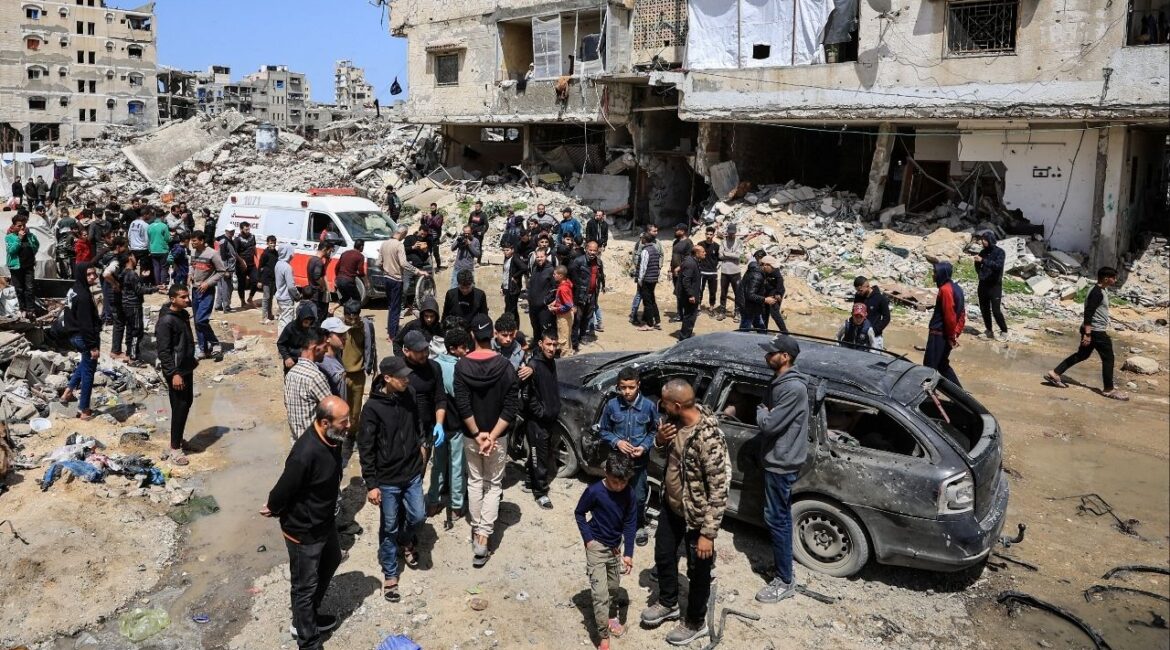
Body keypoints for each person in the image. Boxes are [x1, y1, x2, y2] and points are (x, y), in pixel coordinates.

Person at [640, 379, 730, 646]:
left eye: (664, 403)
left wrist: (708, 534)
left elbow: (719, 489)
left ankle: (695, 622)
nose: (660, 406)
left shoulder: (708, 438)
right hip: (672, 505)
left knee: (698, 571)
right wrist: (657, 441)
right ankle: (668, 602)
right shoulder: (674, 423)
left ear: (678, 405)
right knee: (664, 555)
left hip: (697, 518)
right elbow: (665, 456)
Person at [262, 396, 349, 650]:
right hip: (303, 530)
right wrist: (273, 507)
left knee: (332, 560)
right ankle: (307, 640)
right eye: (344, 421)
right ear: (325, 422)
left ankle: (308, 617)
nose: (349, 425)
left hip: (324, 521)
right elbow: (283, 488)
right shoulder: (305, 453)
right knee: (304, 585)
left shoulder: (333, 439)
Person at [358, 355, 429, 603]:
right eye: (401, 376)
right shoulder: (372, 409)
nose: (407, 379)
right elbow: (365, 447)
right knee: (388, 526)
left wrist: (422, 444)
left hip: (411, 472)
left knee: (418, 516)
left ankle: (406, 540)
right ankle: (390, 573)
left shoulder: (408, 394)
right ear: (387, 378)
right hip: (387, 479)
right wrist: (371, 484)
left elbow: (417, 422)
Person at [453, 313, 520, 567]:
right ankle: (483, 537)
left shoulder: (462, 366)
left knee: (475, 480)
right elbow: (510, 407)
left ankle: (477, 528)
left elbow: (462, 403)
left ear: (471, 335)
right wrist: (491, 436)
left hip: (472, 437)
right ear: (492, 334)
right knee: (493, 484)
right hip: (497, 437)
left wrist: (478, 433)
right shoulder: (506, 367)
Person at [755, 334, 809, 604]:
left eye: (771, 353)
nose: (767, 356)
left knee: (778, 519)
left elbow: (769, 424)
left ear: (785, 357)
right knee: (780, 517)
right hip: (778, 458)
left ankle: (784, 580)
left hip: (781, 462)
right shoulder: (782, 382)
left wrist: (761, 410)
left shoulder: (792, 388)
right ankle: (780, 567)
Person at [575, 452, 638, 650]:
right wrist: (588, 540)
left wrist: (628, 552)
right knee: (600, 594)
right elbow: (579, 513)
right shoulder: (594, 491)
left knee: (613, 587)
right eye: (614, 482)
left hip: (615, 549)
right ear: (606, 473)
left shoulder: (629, 494)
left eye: (623, 483)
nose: (619, 487)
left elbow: (630, 523)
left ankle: (611, 615)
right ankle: (603, 635)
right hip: (596, 547)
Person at [1045, 267, 1129, 400]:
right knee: (1108, 359)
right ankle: (1109, 389)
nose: (1115, 280)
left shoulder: (1100, 290)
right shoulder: (1097, 292)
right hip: (1096, 332)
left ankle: (1055, 373)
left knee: (1082, 355)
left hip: (1092, 330)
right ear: (1106, 278)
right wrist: (1088, 334)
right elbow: (1088, 313)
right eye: (1114, 277)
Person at [597, 366, 658, 546]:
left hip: (638, 465)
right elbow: (603, 430)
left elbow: (654, 431)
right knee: (615, 495)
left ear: (638, 385)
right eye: (623, 387)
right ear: (618, 386)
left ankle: (638, 526)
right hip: (617, 463)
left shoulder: (648, 406)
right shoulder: (612, 405)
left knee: (638, 497)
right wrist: (617, 442)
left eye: (631, 387)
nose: (627, 391)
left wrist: (644, 447)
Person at [427, 325, 469, 518]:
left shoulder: (434, 363)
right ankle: (456, 505)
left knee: (438, 464)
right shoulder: (456, 368)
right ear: (453, 349)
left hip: (438, 424)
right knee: (457, 466)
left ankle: (433, 501)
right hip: (455, 425)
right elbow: (459, 397)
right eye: (462, 347)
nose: (466, 350)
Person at [155, 285, 197, 467]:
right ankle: (175, 449)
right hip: (177, 371)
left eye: (188, 296)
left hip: (186, 367)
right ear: (173, 299)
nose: (187, 300)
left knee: (186, 403)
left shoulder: (183, 315)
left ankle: (178, 439)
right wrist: (173, 373)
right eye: (183, 297)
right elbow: (164, 351)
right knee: (179, 405)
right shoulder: (166, 321)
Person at [521, 330, 560, 508]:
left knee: (539, 454)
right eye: (549, 344)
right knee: (540, 457)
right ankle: (540, 492)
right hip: (537, 422)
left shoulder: (550, 362)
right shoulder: (533, 366)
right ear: (540, 344)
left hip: (549, 419)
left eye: (554, 344)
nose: (552, 348)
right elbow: (527, 396)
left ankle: (530, 481)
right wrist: (541, 413)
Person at [59, 263, 102, 421]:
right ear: (81, 275)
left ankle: (68, 391)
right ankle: (84, 409)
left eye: (94, 274)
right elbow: (86, 323)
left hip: (74, 335)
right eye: (89, 274)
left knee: (84, 364)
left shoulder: (74, 289)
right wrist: (93, 346)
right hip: (84, 337)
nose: (92, 277)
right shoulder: (83, 296)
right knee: (89, 372)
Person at [402, 329, 448, 465]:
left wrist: (439, 424)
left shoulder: (434, 367)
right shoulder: (398, 370)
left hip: (426, 428)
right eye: (418, 351)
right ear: (406, 351)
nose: (424, 354)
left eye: (425, 350)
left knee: (420, 469)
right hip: (403, 429)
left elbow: (440, 398)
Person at [339, 299, 378, 445]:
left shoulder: (366, 327)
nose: (352, 321)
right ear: (344, 315)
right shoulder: (338, 326)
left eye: (355, 318)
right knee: (341, 409)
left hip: (358, 375)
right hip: (341, 376)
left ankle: (351, 436)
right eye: (349, 318)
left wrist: (373, 367)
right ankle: (339, 434)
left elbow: (371, 347)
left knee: (355, 411)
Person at [285, 328, 332, 444]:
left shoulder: (291, 373)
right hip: (314, 444)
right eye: (325, 346)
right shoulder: (315, 377)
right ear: (314, 347)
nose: (326, 351)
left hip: (296, 442)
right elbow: (331, 410)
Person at [923, 262, 966, 387]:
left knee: (929, 368)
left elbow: (950, 316)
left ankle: (928, 397)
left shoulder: (945, 290)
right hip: (946, 335)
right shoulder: (956, 288)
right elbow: (962, 314)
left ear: (942, 273)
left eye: (935, 272)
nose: (933, 275)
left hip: (939, 335)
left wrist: (951, 336)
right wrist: (955, 333)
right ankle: (961, 394)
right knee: (942, 365)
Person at [381, 226, 426, 339]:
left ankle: (392, 330)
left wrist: (386, 269)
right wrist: (417, 271)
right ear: (403, 233)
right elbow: (403, 263)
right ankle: (392, 335)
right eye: (405, 235)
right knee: (395, 308)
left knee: (391, 306)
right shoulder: (399, 245)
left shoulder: (384, 244)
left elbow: (378, 262)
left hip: (386, 278)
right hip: (396, 280)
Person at [189, 232, 225, 361]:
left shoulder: (212, 254)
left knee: (201, 320)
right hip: (194, 290)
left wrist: (208, 283)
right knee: (196, 322)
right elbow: (192, 266)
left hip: (206, 291)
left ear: (202, 240)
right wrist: (190, 275)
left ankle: (215, 343)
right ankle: (203, 349)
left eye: (194, 241)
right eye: (191, 241)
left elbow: (221, 271)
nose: (192, 243)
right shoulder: (193, 252)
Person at [569, 241, 605, 351]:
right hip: (580, 295)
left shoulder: (598, 262)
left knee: (587, 317)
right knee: (577, 319)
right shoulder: (578, 262)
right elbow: (572, 281)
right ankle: (574, 342)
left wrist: (603, 286)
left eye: (595, 250)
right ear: (586, 249)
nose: (592, 252)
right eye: (590, 250)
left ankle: (582, 336)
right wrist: (574, 300)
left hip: (592, 294)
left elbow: (601, 276)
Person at [120, 253, 155, 363]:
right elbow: (139, 290)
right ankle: (134, 357)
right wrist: (156, 288)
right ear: (130, 258)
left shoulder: (123, 272)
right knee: (136, 331)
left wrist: (142, 278)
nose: (137, 259)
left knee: (130, 330)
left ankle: (129, 352)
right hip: (134, 305)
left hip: (126, 304)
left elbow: (132, 286)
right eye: (135, 257)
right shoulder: (132, 274)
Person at [973, 231, 1008, 340]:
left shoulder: (1000, 252)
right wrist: (980, 273)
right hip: (983, 284)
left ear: (990, 240)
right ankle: (989, 330)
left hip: (994, 285)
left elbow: (997, 266)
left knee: (996, 310)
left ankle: (1004, 331)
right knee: (984, 308)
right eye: (982, 239)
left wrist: (983, 260)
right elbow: (977, 265)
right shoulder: (983, 252)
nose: (982, 242)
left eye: (985, 239)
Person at [5, 213, 39, 319]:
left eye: (24, 225)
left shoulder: (30, 236)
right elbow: (11, 251)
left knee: (30, 288)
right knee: (19, 289)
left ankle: (31, 310)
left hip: (28, 266)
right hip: (16, 267)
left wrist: (31, 254)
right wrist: (19, 239)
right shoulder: (9, 237)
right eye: (19, 225)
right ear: (14, 226)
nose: (22, 228)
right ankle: (22, 309)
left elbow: (35, 246)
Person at [629, 224, 661, 326]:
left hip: (645, 278)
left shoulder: (646, 250)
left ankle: (646, 321)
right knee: (651, 299)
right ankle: (656, 319)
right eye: (654, 231)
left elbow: (643, 266)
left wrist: (640, 279)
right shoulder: (654, 248)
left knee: (644, 299)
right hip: (653, 277)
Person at [279, 302, 322, 374]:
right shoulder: (291, 328)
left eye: (310, 323)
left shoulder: (313, 327)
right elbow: (281, 344)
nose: (307, 325)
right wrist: (286, 357)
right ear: (300, 319)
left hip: (307, 360)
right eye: (305, 322)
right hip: (292, 359)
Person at [852, 276, 891, 350]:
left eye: (860, 290)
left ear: (867, 286)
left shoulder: (880, 298)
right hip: (859, 335)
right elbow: (854, 312)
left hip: (875, 337)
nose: (858, 292)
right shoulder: (858, 297)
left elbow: (887, 318)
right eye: (857, 290)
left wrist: (874, 330)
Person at [317, 317, 351, 399]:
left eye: (344, 334)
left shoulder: (337, 354)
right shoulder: (322, 364)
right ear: (328, 338)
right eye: (340, 335)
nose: (345, 338)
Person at [527, 247, 556, 339]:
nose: (539, 259)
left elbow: (554, 288)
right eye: (538, 257)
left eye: (541, 257)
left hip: (543, 307)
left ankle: (544, 348)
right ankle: (536, 343)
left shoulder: (551, 270)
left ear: (546, 256)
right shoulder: (535, 268)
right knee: (535, 326)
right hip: (533, 305)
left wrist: (545, 300)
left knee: (544, 328)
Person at [675, 244, 703, 340]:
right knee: (689, 316)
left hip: (690, 294)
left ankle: (686, 336)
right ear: (696, 253)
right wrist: (691, 295)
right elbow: (686, 280)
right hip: (688, 295)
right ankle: (684, 338)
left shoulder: (692, 261)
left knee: (690, 316)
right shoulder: (690, 263)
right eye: (703, 252)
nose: (705, 253)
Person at [550, 265, 575, 358]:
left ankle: (565, 357)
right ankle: (570, 353)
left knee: (563, 338)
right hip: (568, 315)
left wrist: (555, 308)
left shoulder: (563, 288)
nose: (553, 276)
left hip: (564, 316)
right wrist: (555, 302)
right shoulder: (566, 283)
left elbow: (568, 305)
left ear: (560, 276)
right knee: (567, 335)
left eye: (555, 274)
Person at [669, 224, 693, 323]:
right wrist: (670, 269)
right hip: (675, 272)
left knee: (684, 293)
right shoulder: (675, 242)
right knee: (678, 293)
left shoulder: (688, 243)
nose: (675, 232)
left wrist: (679, 268)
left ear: (683, 231)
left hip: (683, 272)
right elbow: (673, 257)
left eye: (677, 230)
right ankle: (680, 314)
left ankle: (685, 314)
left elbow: (689, 258)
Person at [215, 226, 241, 312]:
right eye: (230, 231)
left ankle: (218, 305)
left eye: (232, 231)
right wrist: (225, 270)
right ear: (226, 231)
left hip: (225, 269)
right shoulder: (224, 241)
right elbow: (223, 257)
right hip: (226, 269)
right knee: (227, 288)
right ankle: (226, 307)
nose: (231, 233)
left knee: (221, 287)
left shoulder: (229, 240)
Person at [739, 253, 767, 331]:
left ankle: (763, 339)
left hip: (753, 305)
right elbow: (750, 294)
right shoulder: (757, 274)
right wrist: (765, 299)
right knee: (744, 330)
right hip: (748, 306)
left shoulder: (755, 269)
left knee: (760, 327)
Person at [306, 241, 333, 321]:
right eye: (330, 251)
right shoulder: (318, 262)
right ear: (325, 249)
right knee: (320, 317)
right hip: (318, 295)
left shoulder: (312, 259)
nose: (330, 253)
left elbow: (321, 274)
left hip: (313, 294)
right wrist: (323, 286)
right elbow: (317, 276)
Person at [761, 251, 788, 333]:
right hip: (767, 292)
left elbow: (780, 282)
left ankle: (784, 332)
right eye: (771, 266)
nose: (773, 268)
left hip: (776, 291)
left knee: (774, 313)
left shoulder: (775, 271)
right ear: (765, 265)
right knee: (764, 312)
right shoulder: (761, 271)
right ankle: (764, 330)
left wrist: (778, 293)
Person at [500, 242, 526, 325]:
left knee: (510, 310)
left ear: (512, 250)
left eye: (507, 250)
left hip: (513, 289)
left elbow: (524, 268)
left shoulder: (515, 258)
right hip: (507, 287)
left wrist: (515, 277)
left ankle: (510, 327)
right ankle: (514, 327)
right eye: (504, 250)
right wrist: (502, 286)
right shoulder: (506, 258)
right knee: (511, 309)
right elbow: (505, 273)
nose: (505, 252)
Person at [233, 221, 259, 306]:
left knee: (255, 281)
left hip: (251, 264)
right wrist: (241, 261)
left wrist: (257, 257)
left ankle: (250, 298)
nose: (248, 231)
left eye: (248, 229)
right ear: (241, 229)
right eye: (246, 229)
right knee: (242, 283)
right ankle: (242, 301)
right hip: (241, 265)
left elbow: (254, 247)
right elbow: (235, 253)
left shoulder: (252, 237)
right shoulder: (237, 239)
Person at [274, 244, 298, 334]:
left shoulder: (278, 264)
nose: (292, 255)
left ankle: (280, 339)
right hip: (286, 298)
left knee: (282, 319)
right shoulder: (287, 267)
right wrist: (297, 295)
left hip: (280, 296)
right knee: (287, 321)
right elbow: (291, 287)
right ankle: (284, 341)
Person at [334, 239, 366, 306]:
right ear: (361, 247)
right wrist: (362, 276)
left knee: (345, 298)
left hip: (339, 280)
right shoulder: (360, 256)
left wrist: (337, 278)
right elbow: (361, 271)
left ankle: (332, 308)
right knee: (357, 299)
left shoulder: (345, 253)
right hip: (348, 281)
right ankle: (355, 315)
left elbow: (336, 267)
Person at [449, 225, 480, 290]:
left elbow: (477, 254)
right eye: (465, 233)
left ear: (471, 232)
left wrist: (469, 244)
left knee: (471, 288)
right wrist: (458, 241)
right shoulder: (461, 238)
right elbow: (452, 248)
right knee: (453, 287)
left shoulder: (475, 241)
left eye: (468, 233)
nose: (466, 235)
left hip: (468, 268)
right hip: (458, 267)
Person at [147, 209, 172, 287]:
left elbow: (149, 239)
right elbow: (168, 239)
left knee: (156, 267)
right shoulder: (164, 226)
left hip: (153, 250)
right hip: (163, 249)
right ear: (162, 216)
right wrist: (172, 237)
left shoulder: (150, 226)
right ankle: (163, 283)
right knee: (164, 267)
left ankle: (157, 283)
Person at [698, 227, 720, 313]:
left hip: (713, 272)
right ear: (705, 234)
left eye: (711, 234)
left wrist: (716, 268)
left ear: (714, 235)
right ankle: (698, 306)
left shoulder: (717, 246)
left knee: (712, 291)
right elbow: (696, 256)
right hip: (702, 271)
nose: (709, 236)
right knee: (700, 290)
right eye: (707, 234)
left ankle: (711, 307)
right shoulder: (700, 244)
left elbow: (719, 259)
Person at [258, 236, 280, 323]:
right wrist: (259, 280)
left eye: (274, 243)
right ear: (267, 243)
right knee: (266, 297)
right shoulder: (265, 254)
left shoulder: (276, 253)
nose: (273, 245)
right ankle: (264, 317)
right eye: (271, 243)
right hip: (266, 279)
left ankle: (270, 315)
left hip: (273, 279)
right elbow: (260, 267)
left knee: (271, 297)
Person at [127, 210, 151, 286]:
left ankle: (131, 282)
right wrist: (149, 248)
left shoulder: (133, 223)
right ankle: (142, 283)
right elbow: (147, 239)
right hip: (143, 249)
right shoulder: (145, 225)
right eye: (149, 215)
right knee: (143, 267)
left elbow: (129, 235)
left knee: (132, 266)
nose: (150, 217)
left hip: (133, 248)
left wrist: (131, 245)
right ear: (145, 215)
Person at [422, 203, 444, 269]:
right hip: (428, 237)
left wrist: (431, 218)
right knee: (428, 252)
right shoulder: (429, 215)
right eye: (431, 208)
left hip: (435, 237)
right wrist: (423, 218)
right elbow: (423, 224)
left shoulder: (439, 216)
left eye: (433, 208)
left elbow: (438, 225)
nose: (432, 209)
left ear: (436, 208)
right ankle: (429, 266)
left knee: (436, 253)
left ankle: (438, 266)